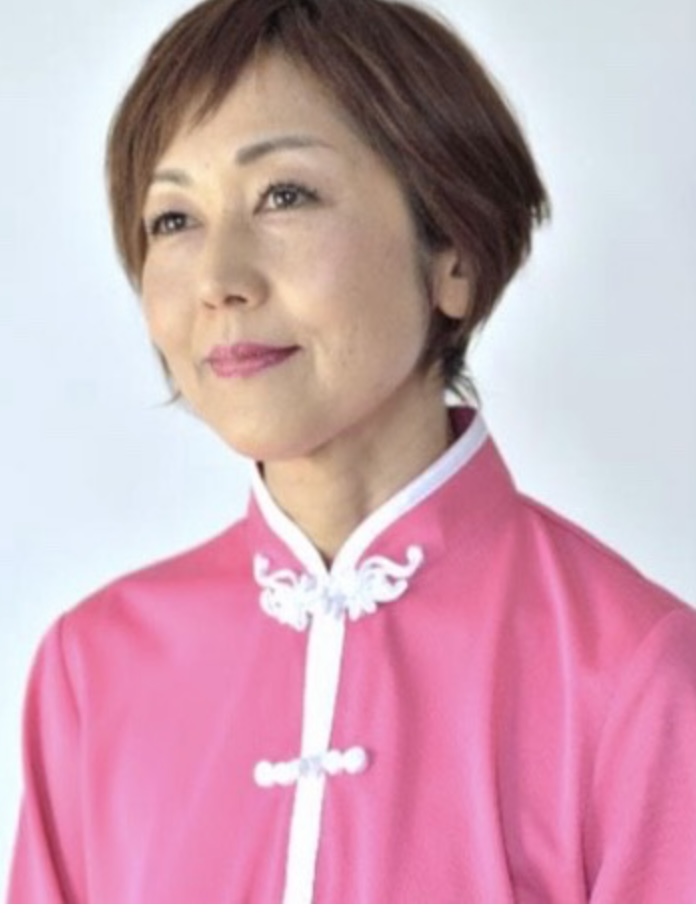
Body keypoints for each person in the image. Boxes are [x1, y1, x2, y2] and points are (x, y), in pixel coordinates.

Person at [7, 0, 696, 904]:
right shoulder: (92, 671)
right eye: (173, 219)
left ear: (453, 255)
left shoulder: (635, 674)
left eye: (284, 196)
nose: (218, 281)